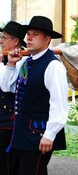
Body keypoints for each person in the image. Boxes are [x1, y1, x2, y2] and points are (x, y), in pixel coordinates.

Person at [0, 16, 69, 175]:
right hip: (21, 133)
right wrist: (11, 64)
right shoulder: (25, 62)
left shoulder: (53, 66)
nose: (29, 38)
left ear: (47, 40)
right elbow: (8, 87)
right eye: (28, 34)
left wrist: (50, 134)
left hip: (39, 134)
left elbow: (58, 104)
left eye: (35, 34)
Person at [0, 21, 26, 175]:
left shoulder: (22, 60)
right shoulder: (4, 59)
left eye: (4, 38)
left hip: (10, 122)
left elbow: (7, 86)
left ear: (16, 41)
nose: (1, 41)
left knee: (9, 164)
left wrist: (8, 64)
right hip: (3, 121)